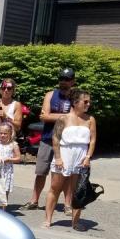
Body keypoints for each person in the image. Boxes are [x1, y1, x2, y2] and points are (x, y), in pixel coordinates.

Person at [22, 67, 76, 211]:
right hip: (47, 138)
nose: (63, 82)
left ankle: (67, 204)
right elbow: (44, 116)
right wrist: (64, 117)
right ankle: (34, 201)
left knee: (65, 174)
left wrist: (53, 116)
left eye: (67, 79)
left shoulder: (75, 97)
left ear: (73, 81)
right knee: (41, 171)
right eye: (61, 79)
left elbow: (74, 118)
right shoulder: (50, 95)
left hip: (66, 141)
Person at [45, 89, 96, 230]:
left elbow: (92, 140)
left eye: (89, 101)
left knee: (77, 190)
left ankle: (75, 221)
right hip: (65, 153)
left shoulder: (90, 119)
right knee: (55, 187)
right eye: (85, 101)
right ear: (75, 102)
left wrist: (88, 157)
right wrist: (58, 158)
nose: (88, 104)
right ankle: (48, 219)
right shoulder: (63, 119)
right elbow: (55, 139)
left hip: (81, 156)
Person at [0, 122, 22, 210]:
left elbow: (18, 158)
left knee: (4, 192)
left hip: (6, 171)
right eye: (1, 133)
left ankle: (3, 211)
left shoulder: (13, 145)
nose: (3, 135)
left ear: (10, 134)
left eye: (5, 133)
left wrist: (9, 159)